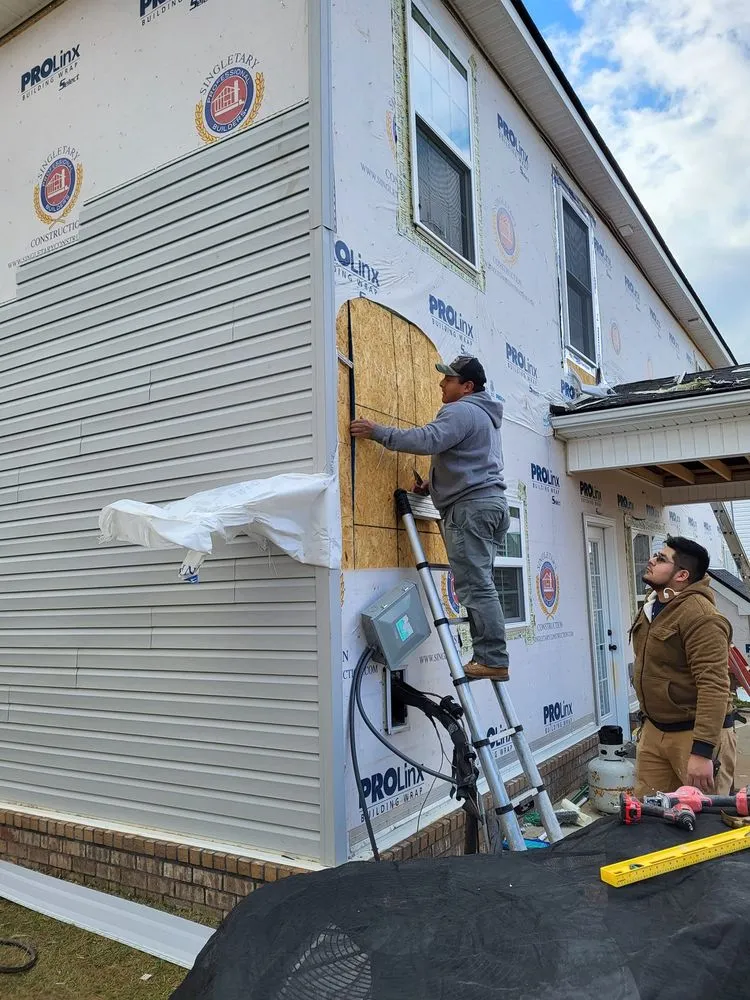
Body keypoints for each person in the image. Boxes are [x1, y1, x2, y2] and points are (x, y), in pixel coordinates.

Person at [350, 355, 510, 681]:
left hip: (471, 510)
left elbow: (427, 440)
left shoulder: (461, 409)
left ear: (467, 386)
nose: (441, 383)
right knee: (482, 585)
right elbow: (467, 459)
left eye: (449, 380)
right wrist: (432, 485)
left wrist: (376, 432)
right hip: (489, 505)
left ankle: (492, 659)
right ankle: (490, 656)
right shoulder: (483, 415)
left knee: (476, 588)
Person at [631, 536, 736, 796]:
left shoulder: (701, 616)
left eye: (661, 559)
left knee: (706, 823)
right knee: (650, 817)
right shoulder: (653, 606)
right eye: (656, 555)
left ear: (682, 575)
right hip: (655, 731)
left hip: (693, 736)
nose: (651, 560)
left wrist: (702, 751)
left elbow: (713, 685)